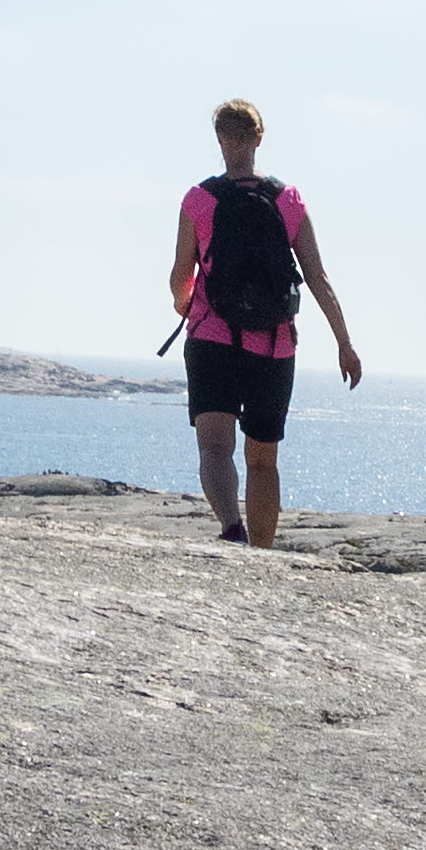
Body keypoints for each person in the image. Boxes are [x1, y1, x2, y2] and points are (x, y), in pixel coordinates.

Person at [168, 99, 360, 547]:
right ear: (259, 137)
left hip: (211, 337)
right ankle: (264, 555)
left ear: (220, 139)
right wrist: (344, 343)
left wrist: (185, 305)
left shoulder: (199, 200)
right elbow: (317, 277)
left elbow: (181, 275)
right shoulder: (288, 199)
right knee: (263, 460)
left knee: (215, 448)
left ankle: (232, 529)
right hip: (274, 344)